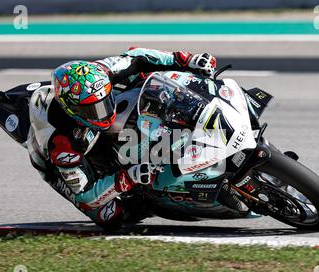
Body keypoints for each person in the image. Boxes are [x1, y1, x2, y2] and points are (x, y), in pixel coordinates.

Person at [26, 48, 217, 229]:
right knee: (112, 217)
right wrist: (127, 177)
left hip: (101, 120)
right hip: (61, 167)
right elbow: (86, 194)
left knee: (144, 78)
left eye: (104, 102)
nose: (104, 112)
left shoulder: (99, 73)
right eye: (93, 109)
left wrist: (184, 59)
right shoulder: (63, 144)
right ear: (73, 111)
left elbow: (137, 56)